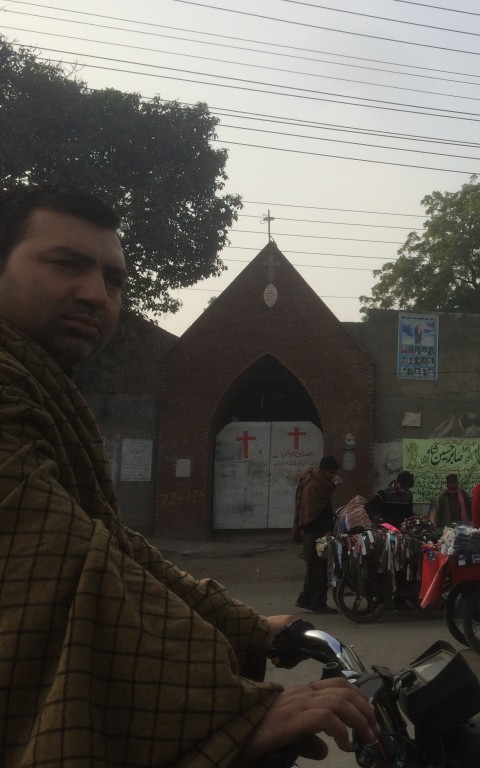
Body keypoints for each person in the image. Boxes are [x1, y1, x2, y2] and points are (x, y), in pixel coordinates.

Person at [0, 184, 378, 766]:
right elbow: (65, 561)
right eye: (65, 265)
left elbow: (113, 543)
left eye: (113, 280)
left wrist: (248, 628)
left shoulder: (37, 383)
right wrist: (232, 707)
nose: (95, 294)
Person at [293, 455, 341, 614]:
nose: (333, 476)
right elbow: (314, 512)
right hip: (314, 531)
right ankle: (318, 603)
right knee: (318, 569)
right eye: (331, 472)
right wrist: (326, 529)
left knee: (314, 567)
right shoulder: (315, 485)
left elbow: (325, 508)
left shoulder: (321, 483)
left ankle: (305, 598)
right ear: (325, 470)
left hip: (316, 530)